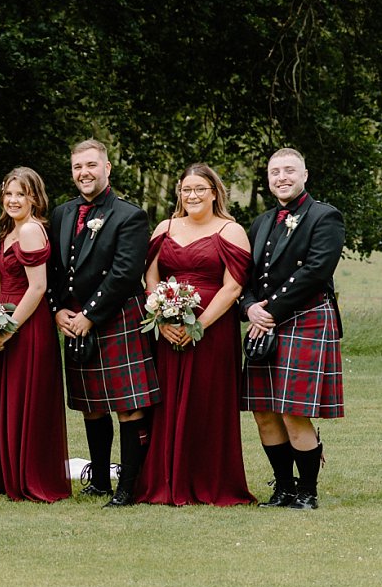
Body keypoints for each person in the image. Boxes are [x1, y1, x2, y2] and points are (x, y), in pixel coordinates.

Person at [134, 164, 255, 507]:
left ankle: (209, 480)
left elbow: (233, 287)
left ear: (214, 192)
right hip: (168, 328)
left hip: (212, 331)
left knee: (206, 403)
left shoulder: (230, 231)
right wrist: (161, 316)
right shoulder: (165, 227)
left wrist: (198, 326)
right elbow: (151, 278)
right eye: (186, 189)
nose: (192, 195)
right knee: (167, 404)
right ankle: (165, 479)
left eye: (200, 188)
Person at [49, 138, 160, 506]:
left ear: (107, 168)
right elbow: (55, 269)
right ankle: (98, 481)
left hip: (116, 317)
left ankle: (128, 487)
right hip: (76, 319)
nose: (84, 173)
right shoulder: (62, 213)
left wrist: (90, 316)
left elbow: (126, 274)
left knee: (128, 405)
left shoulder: (129, 215)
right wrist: (58, 309)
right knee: (91, 403)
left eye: (91, 165)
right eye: (78, 167)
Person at [239, 148, 344, 510]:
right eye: (274, 172)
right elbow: (246, 276)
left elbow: (316, 271)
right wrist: (250, 306)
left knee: (292, 409)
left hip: (306, 319)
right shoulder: (262, 221)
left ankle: (307, 493)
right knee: (264, 410)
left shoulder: (324, 216)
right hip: (266, 322)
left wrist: (270, 312)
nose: (281, 178)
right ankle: (283, 489)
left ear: (304, 174)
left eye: (288, 171)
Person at [0, 166, 71, 502]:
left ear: (35, 197)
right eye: (8, 194)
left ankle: (30, 476)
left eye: (21, 194)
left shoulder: (32, 230)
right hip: (4, 319)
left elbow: (37, 288)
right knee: (8, 398)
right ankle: (7, 474)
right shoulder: (9, 230)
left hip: (28, 325)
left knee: (27, 398)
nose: (13, 200)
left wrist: (8, 326)